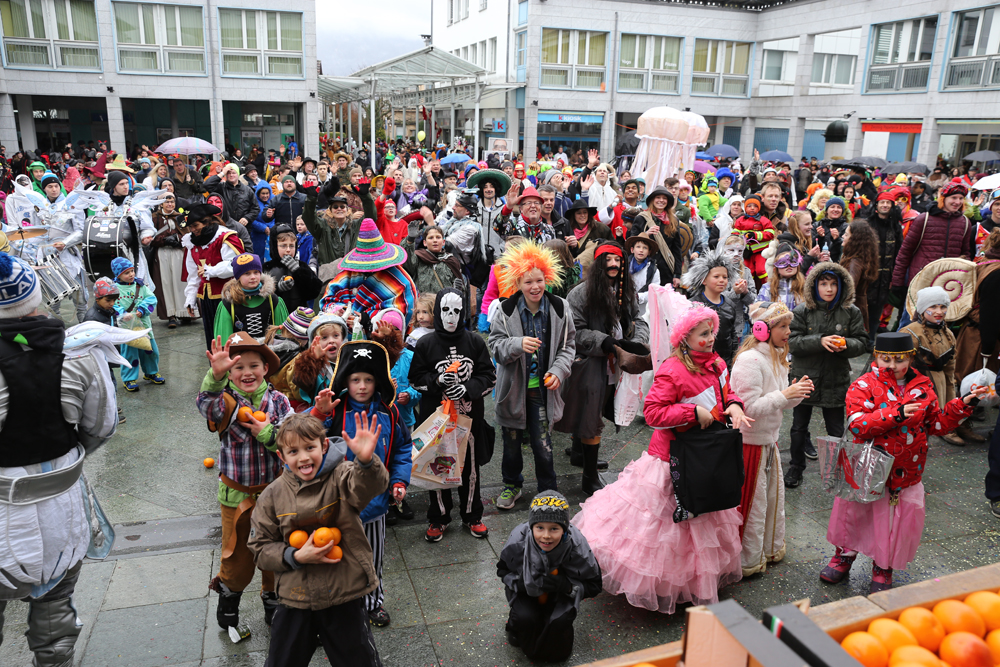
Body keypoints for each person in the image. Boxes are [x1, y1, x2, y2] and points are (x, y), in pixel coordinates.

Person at [572, 300, 749, 613]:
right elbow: (653, 413)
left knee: (698, 525)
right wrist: (692, 411)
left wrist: (734, 405)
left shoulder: (717, 363)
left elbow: (727, 392)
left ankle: (688, 584)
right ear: (684, 338)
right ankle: (660, 584)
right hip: (673, 460)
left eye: (711, 332)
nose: (709, 339)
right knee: (664, 527)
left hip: (706, 456)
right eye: (702, 334)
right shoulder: (672, 370)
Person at [0, 252, 120, 667]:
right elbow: (101, 428)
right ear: (34, 298)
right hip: (62, 507)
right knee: (55, 607)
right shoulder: (82, 354)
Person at [821, 332, 984, 593]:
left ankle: (883, 566)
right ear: (877, 356)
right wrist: (895, 414)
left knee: (892, 522)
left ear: (910, 358)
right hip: (869, 468)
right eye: (886, 359)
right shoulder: (862, 385)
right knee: (854, 515)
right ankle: (844, 554)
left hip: (906, 469)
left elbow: (937, 424)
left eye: (899, 360)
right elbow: (858, 426)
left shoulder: (923, 386)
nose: (892, 366)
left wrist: (963, 404)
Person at [247, 412, 388, 667]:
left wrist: (366, 462)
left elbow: (368, 487)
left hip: (343, 592)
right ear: (282, 456)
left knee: (358, 661)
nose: (303, 457)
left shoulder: (341, 475)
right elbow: (259, 547)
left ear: (324, 446)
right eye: (293, 451)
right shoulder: (272, 495)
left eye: (310, 447)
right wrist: (295, 556)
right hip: (296, 597)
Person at [198, 332, 292, 629]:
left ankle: (274, 601)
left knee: (276, 551)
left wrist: (266, 432)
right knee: (236, 555)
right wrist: (215, 376)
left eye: (254, 365)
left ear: (266, 367)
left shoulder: (279, 400)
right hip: (237, 497)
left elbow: (291, 442)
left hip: (276, 495)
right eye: (238, 367)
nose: (247, 372)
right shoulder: (224, 401)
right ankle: (229, 596)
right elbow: (205, 405)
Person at [316, 340, 411, 628]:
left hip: (375, 503)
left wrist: (398, 481)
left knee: (371, 558)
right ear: (345, 379)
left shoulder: (389, 413)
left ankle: (373, 602)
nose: (361, 385)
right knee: (334, 558)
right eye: (355, 379)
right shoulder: (333, 410)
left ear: (378, 381)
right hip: (336, 503)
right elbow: (307, 438)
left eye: (368, 379)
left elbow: (402, 449)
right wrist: (319, 412)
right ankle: (338, 605)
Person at [555, 240, 649, 495]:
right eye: (608, 260)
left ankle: (579, 452)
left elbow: (638, 318)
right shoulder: (581, 293)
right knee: (591, 415)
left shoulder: (625, 290)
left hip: (615, 362)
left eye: (618, 260)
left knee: (596, 409)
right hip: (589, 363)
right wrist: (605, 342)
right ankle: (589, 477)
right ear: (598, 264)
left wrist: (636, 342)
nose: (614, 264)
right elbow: (574, 331)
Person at [489, 242, 577, 510]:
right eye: (528, 282)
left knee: (543, 443)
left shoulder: (560, 308)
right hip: (513, 390)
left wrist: (559, 371)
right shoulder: (504, 311)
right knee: (512, 444)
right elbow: (495, 347)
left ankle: (548, 489)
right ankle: (511, 485)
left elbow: (568, 347)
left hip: (542, 391)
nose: (535, 287)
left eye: (539, 280)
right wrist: (517, 345)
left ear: (547, 278)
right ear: (518, 282)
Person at [730, 303, 814, 576]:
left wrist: (796, 392)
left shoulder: (777, 356)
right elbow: (747, 408)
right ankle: (745, 559)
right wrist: (786, 395)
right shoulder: (750, 361)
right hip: (748, 445)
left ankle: (764, 550)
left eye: (788, 326)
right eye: (783, 326)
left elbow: (779, 403)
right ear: (762, 329)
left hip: (768, 442)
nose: (789, 332)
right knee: (751, 506)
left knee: (765, 503)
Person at [409, 288, 496, 542]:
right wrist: (437, 380)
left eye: (457, 310)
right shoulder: (425, 344)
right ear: (438, 312)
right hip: (436, 421)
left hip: (468, 419)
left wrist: (467, 389)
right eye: (445, 310)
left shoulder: (475, 342)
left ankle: (472, 515)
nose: (451, 316)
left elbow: (489, 377)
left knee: (471, 468)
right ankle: (439, 516)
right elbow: (415, 380)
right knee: (437, 468)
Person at [784, 262, 869, 488]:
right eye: (823, 284)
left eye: (833, 284)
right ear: (815, 286)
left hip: (834, 377)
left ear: (841, 286)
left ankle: (837, 467)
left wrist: (846, 345)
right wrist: (819, 340)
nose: (829, 289)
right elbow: (791, 342)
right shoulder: (802, 311)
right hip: (805, 377)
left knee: (836, 428)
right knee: (799, 426)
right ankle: (796, 466)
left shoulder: (851, 312)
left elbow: (861, 342)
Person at [497, 491, 602, 661]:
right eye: (540, 528)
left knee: (558, 645)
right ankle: (516, 624)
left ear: (565, 529)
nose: (546, 536)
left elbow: (595, 585)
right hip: (527, 591)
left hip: (563, 593)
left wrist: (567, 586)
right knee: (525, 618)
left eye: (554, 528)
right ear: (531, 527)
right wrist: (520, 583)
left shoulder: (578, 547)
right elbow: (503, 570)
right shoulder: (518, 540)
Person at [891, 182, 977, 329]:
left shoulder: (965, 223)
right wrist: (898, 282)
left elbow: (965, 256)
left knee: (939, 328)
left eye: (961, 198)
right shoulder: (923, 219)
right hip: (920, 283)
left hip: (947, 285)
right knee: (910, 324)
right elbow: (905, 252)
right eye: (954, 197)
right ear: (943, 198)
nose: (957, 202)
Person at [902, 287, 970, 446]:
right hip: (916, 386)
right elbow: (900, 366)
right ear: (923, 309)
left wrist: (950, 394)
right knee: (913, 425)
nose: (939, 311)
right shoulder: (911, 333)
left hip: (939, 384)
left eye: (943, 306)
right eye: (933, 307)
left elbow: (950, 367)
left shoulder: (948, 333)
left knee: (929, 425)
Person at [319, 220, 417, 326]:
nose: (369, 266)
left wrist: (368, 319)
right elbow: (328, 299)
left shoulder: (400, 281)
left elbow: (404, 311)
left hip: (379, 340)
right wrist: (339, 310)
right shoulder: (348, 274)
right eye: (365, 261)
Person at [182, 203, 247, 350]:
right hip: (206, 299)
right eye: (190, 227)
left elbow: (235, 265)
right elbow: (193, 275)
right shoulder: (192, 243)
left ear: (207, 222)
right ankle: (216, 369)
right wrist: (190, 299)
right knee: (212, 337)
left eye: (195, 225)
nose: (192, 230)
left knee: (230, 337)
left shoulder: (225, 237)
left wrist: (210, 271)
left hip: (228, 295)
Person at [111, 257, 164, 391]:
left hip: (144, 325)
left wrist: (142, 309)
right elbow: (112, 305)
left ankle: (151, 372)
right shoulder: (114, 289)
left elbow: (151, 298)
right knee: (129, 353)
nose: (131, 275)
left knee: (150, 351)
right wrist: (122, 313)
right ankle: (129, 379)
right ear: (118, 275)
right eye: (126, 273)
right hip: (126, 328)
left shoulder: (140, 285)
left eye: (132, 271)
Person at [684, 247, 740, 368]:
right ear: (704, 280)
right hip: (699, 362)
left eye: (725, 277)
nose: (722, 280)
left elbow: (732, 334)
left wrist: (735, 357)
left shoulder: (730, 304)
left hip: (725, 363)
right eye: (716, 277)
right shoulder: (693, 304)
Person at [214, 252, 289, 343]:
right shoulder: (228, 305)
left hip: (269, 354)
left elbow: (283, 338)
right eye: (247, 273)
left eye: (256, 272)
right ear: (238, 277)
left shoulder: (273, 300)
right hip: (241, 355)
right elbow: (224, 341)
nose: (253, 277)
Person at [864, 191, 905, 339]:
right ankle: (859, 338)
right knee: (862, 308)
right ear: (877, 205)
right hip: (868, 275)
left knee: (877, 310)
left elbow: (899, 253)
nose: (885, 205)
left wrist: (895, 276)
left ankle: (870, 339)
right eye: (882, 202)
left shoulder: (895, 227)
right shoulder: (867, 224)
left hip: (885, 277)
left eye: (888, 203)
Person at [630, 187, 684, 287]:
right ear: (652, 200)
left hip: (666, 269)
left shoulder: (674, 220)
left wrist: (677, 274)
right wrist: (646, 234)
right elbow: (632, 242)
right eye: (658, 197)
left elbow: (676, 249)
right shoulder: (641, 218)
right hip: (644, 268)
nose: (661, 200)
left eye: (664, 198)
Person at [264, 224, 323, 313]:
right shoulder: (267, 268)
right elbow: (261, 297)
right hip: (276, 317)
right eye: (283, 246)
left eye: (291, 246)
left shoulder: (301, 265)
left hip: (300, 316)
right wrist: (277, 289)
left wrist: (298, 271)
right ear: (275, 247)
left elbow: (315, 291)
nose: (288, 250)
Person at [149, 193, 187, 328]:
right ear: (161, 204)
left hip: (178, 253)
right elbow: (149, 236)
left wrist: (179, 240)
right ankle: (171, 315)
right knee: (166, 283)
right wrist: (163, 240)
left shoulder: (180, 217)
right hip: (162, 254)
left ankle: (185, 312)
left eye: (172, 201)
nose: (170, 204)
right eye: (167, 202)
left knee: (180, 282)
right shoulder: (154, 218)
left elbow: (188, 234)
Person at [838, 221, 880, 334]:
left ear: (854, 240)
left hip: (851, 311)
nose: (842, 236)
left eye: (846, 235)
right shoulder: (859, 258)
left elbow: (848, 288)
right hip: (858, 307)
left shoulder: (854, 263)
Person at [404, 226, 464, 297]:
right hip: (423, 304)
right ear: (424, 243)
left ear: (443, 242)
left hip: (445, 305)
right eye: (431, 238)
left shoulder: (451, 261)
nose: (435, 240)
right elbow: (407, 262)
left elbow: (460, 286)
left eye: (438, 237)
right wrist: (410, 240)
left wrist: (456, 289)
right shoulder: (418, 258)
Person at [731, 194, 777, 284]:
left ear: (759, 208)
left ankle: (768, 287)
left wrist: (755, 235)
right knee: (748, 272)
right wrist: (739, 239)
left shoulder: (764, 220)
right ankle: (749, 289)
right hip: (746, 252)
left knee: (762, 271)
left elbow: (770, 234)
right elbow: (735, 234)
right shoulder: (740, 220)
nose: (752, 208)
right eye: (749, 206)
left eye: (755, 206)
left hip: (760, 251)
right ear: (745, 207)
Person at [205, 163, 258, 228]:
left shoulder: (248, 190)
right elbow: (207, 185)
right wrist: (222, 173)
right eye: (228, 173)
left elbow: (255, 208)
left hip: (243, 227)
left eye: (233, 173)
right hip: (225, 226)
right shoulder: (221, 187)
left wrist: (247, 218)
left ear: (238, 174)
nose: (231, 175)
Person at [757, 242, 806, 310]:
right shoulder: (768, 288)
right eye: (783, 263)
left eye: (792, 262)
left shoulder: (805, 286)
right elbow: (758, 310)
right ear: (776, 269)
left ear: (797, 267)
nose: (789, 265)